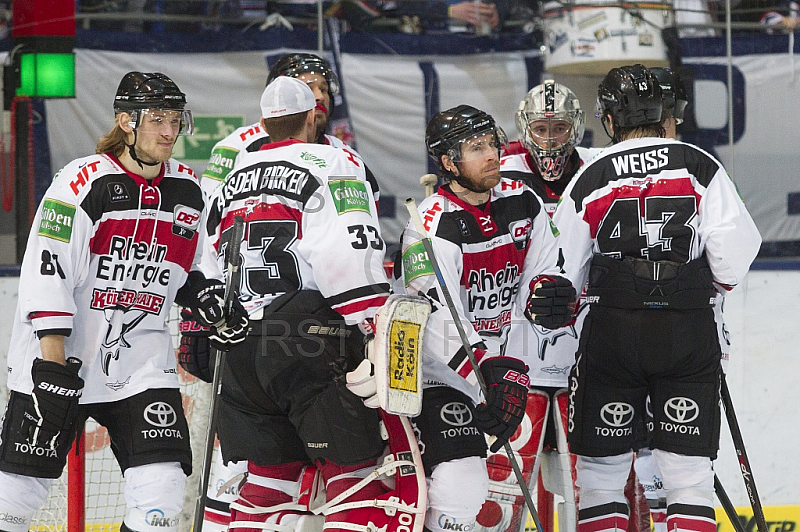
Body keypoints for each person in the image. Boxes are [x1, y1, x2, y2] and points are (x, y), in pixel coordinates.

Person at [197, 76, 425, 532]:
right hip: (307, 341)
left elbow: (205, 260)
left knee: (265, 486)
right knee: (355, 480)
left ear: (263, 123)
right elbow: (347, 253)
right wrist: (375, 326)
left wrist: (198, 330)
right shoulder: (333, 161)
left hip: (238, 345)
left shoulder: (232, 177)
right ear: (311, 119)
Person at [0, 72, 215, 532]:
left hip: (140, 362)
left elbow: (196, 266)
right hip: (64, 357)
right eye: (157, 119)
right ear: (127, 121)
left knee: (161, 494)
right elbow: (46, 266)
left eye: (175, 120)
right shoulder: (83, 181)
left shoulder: (188, 190)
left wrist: (209, 298)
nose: (168, 132)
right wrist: (52, 362)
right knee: (16, 498)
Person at [553, 64, 761, 532]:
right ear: (664, 111)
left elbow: (560, 269)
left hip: (612, 333)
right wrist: (697, 288)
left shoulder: (592, 175)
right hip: (687, 332)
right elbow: (734, 257)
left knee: (603, 478)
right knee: (688, 479)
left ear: (608, 118)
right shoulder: (699, 164)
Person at [397, 104, 576, 532]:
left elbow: (545, 264)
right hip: (432, 374)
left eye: (493, 143)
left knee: (485, 487)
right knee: (462, 482)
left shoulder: (522, 200)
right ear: (447, 163)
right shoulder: (427, 226)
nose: (493, 154)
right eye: (476, 148)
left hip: (490, 368)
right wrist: (485, 367)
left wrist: (548, 291)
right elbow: (434, 316)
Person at [476, 80, 602, 532]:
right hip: (513, 354)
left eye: (560, 127)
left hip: (581, 355)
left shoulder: (597, 170)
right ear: (524, 128)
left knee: (593, 491)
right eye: (541, 127)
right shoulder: (496, 169)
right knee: (500, 495)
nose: (550, 139)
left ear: (578, 128)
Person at [200, 52, 379, 202]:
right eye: (308, 88)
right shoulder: (236, 146)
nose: (319, 97)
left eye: (323, 89)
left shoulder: (344, 155)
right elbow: (209, 211)